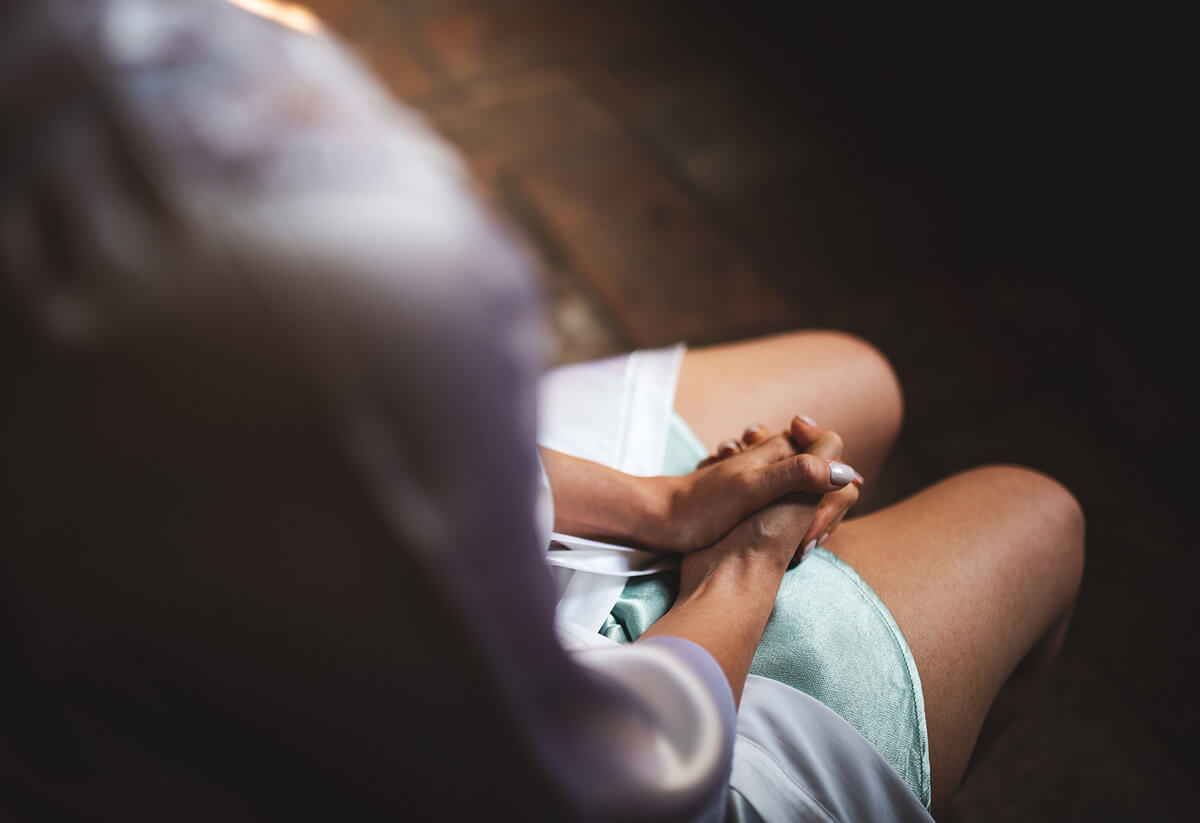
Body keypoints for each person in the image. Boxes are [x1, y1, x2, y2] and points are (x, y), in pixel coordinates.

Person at [0, 1, 1083, 820]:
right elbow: (593, 788)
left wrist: (664, 505)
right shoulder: (310, 234)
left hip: (314, 588)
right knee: (1036, 518)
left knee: (858, 378)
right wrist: (746, 560)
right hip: (559, 751)